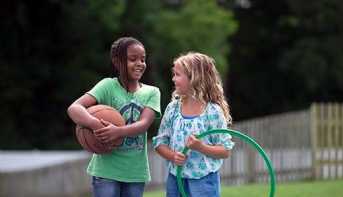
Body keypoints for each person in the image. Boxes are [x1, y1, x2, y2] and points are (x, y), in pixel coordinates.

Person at [67, 37, 161, 197]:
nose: (140, 63)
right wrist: (95, 124)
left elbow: (144, 124)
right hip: (106, 171)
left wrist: (118, 132)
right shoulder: (107, 86)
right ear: (117, 62)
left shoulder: (152, 92)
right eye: (133, 59)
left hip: (135, 172)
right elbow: (74, 108)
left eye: (143, 59)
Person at [152, 52, 234, 197]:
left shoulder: (212, 112)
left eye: (177, 75)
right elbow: (160, 143)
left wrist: (200, 147)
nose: (173, 79)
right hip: (176, 178)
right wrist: (172, 156)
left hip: (204, 180)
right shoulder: (173, 108)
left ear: (194, 78)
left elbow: (225, 150)